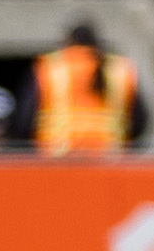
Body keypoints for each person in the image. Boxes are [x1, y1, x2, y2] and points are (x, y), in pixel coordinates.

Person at [30, 17, 134, 154]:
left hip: (59, 157)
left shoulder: (51, 67)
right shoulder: (118, 68)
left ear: (69, 40)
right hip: (108, 157)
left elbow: (25, 117)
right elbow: (139, 119)